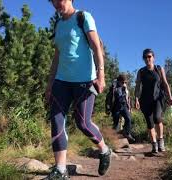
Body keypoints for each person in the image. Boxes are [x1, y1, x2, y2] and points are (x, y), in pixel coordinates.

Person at [45, 0, 111, 178]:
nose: (56, 3)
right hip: (61, 81)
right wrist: (50, 84)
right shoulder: (58, 24)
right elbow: (57, 56)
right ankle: (60, 169)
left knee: (83, 123)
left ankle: (104, 150)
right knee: (57, 120)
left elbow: (97, 47)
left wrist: (101, 75)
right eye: (52, 1)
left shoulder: (83, 17)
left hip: (84, 80)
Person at [135, 48, 172, 153]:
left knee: (157, 118)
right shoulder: (141, 71)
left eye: (149, 56)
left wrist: (170, 97)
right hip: (145, 100)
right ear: (143, 59)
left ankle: (160, 140)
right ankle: (154, 145)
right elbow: (138, 86)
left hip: (158, 98)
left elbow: (165, 84)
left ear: (153, 57)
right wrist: (136, 99)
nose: (147, 59)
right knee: (150, 123)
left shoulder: (158, 69)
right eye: (145, 57)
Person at [106, 74, 135, 142]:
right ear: (119, 81)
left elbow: (128, 97)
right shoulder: (114, 88)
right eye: (123, 82)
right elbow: (108, 98)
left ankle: (126, 133)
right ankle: (112, 138)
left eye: (125, 82)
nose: (124, 84)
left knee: (128, 119)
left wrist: (130, 107)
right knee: (115, 123)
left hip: (124, 106)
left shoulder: (125, 88)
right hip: (116, 107)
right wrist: (107, 108)